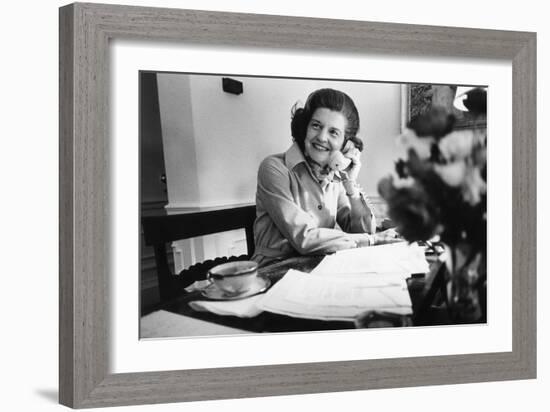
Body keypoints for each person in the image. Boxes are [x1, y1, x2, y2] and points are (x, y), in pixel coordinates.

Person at [251, 88, 399, 267]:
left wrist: (350, 183)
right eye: (316, 126)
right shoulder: (274, 168)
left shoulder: (334, 177)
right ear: (305, 127)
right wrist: (372, 240)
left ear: (346, 144)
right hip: (274, 270)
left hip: (319, 267)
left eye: (333, 132)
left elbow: (363, 230)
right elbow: (304, 238)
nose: (321, 137)